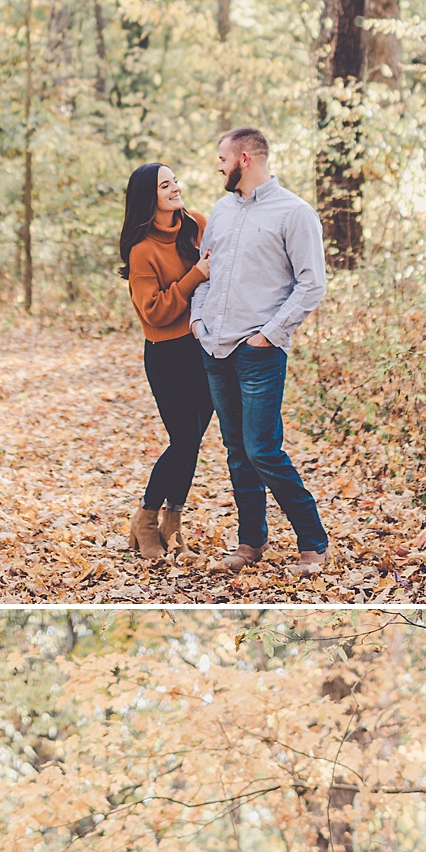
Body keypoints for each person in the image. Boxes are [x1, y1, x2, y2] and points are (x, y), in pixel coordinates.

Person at [190, 127, 328, 574]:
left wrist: (269, 334)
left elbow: (312, 284)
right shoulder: (221, 210)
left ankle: (313, 543)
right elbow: (204, 271)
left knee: (263, 450)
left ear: (245, 158)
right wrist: (197, 320)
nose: (218, 166)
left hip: (258, 351)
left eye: (222, 158)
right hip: (215, 347)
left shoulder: (295, 212)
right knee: (235, 451)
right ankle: (250, 543)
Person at [118, 163, 213, 561]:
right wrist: (195, 276)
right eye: (165, 184)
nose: (176, 188)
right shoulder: (142, 252)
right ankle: (145, 518)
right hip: (166, 353)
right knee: (184, 440)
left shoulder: (197, 224)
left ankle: (172, 522)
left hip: (204, 345)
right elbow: (154, 311)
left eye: (175, 180)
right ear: (148, 196)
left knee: (192, 444)